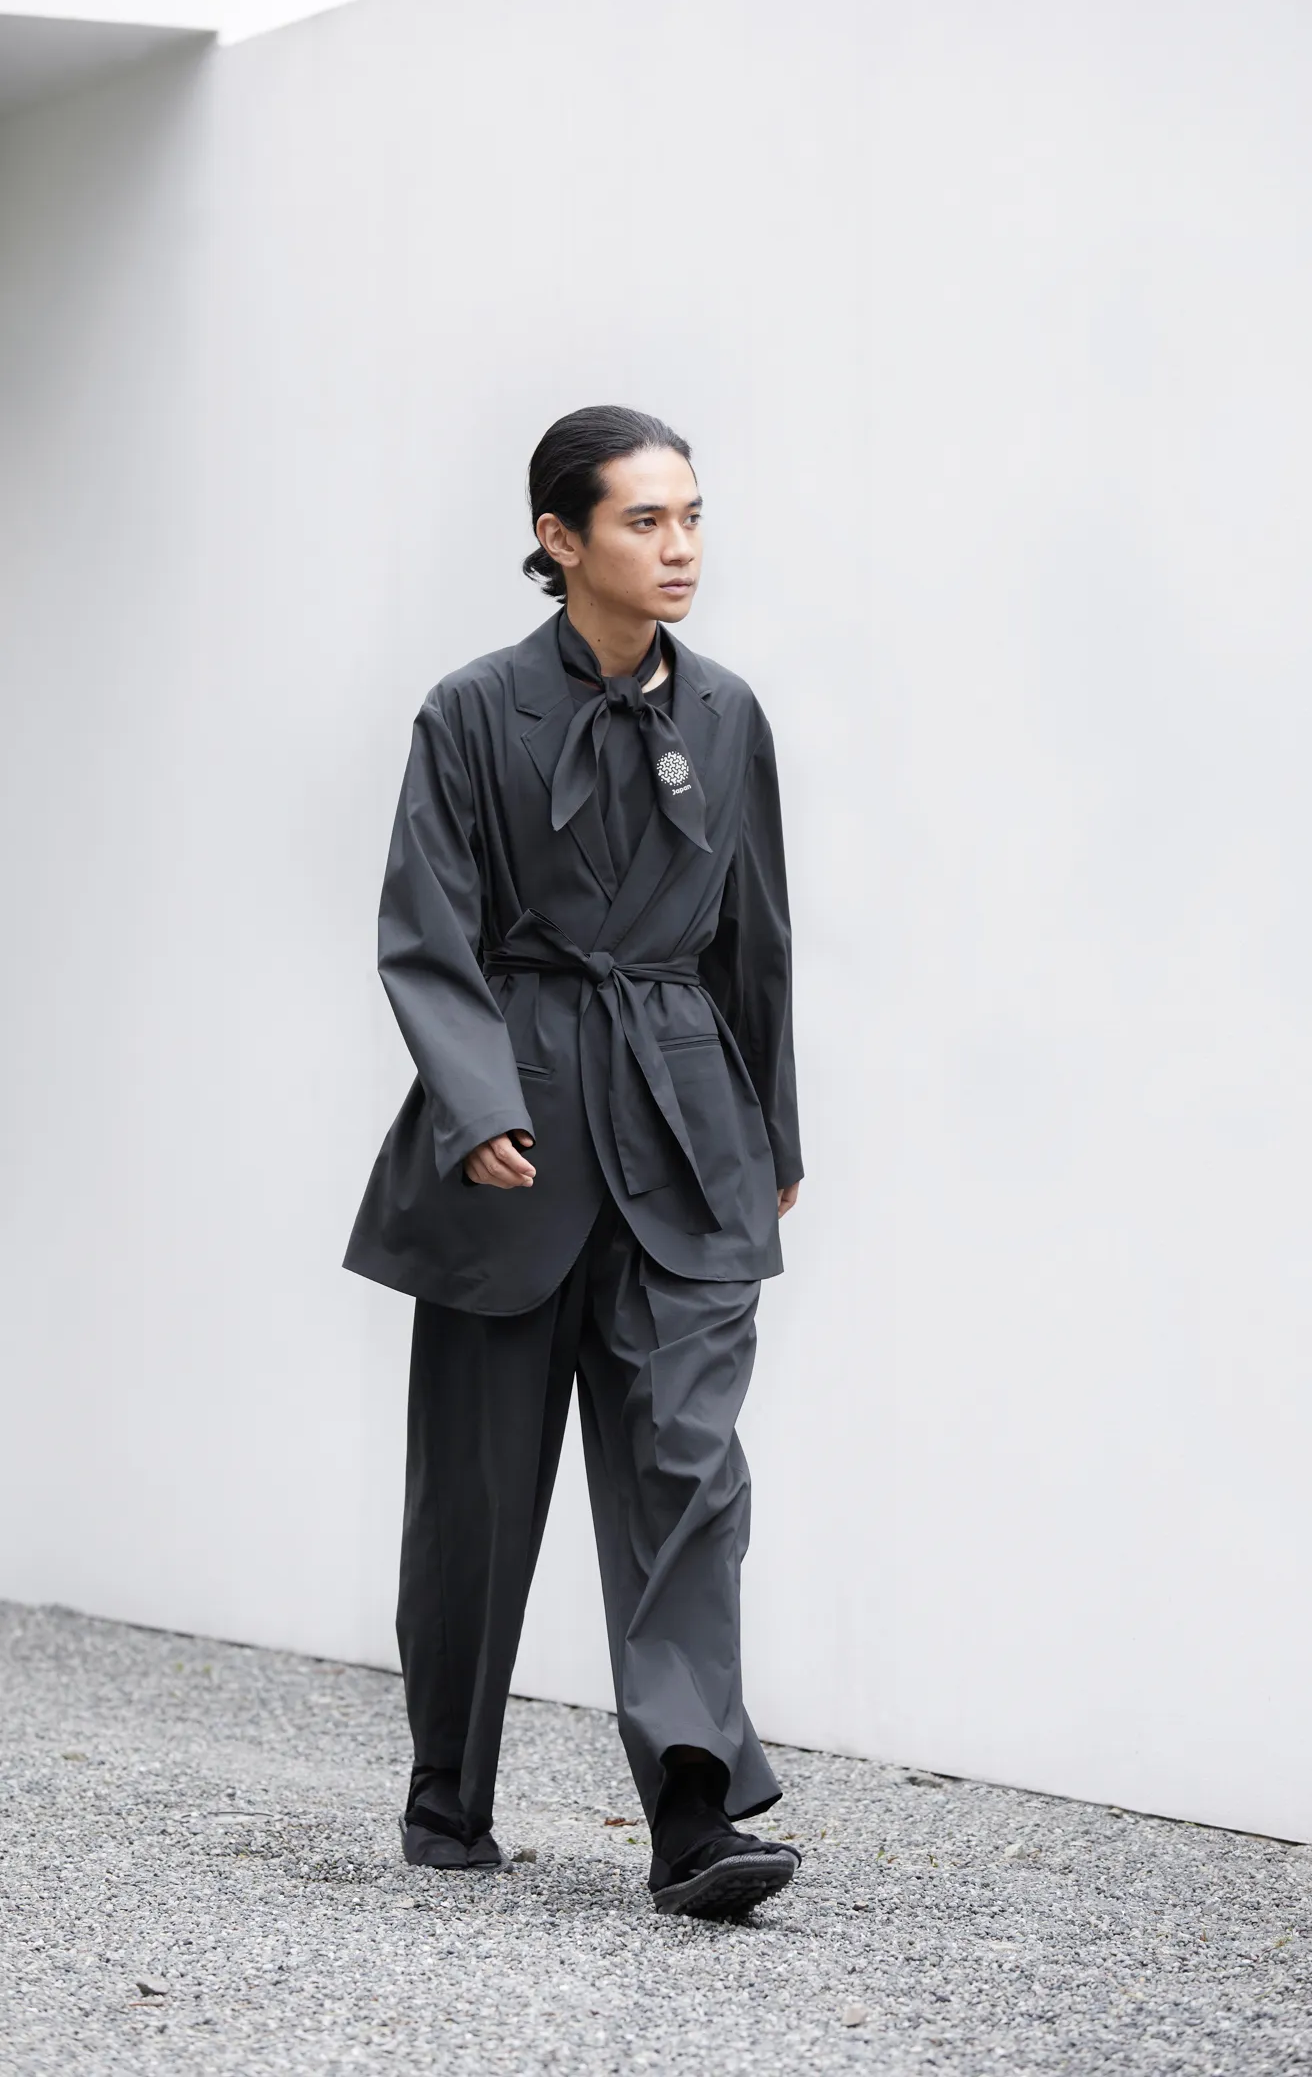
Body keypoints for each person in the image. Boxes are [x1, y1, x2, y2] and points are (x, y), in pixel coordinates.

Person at [344, 405, 805, 1920]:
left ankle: (694, 1808)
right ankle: (448, 1794)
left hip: (685, 1134)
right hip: (519, 1139)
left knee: (690, 1471)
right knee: (476, 1497)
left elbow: (757, 941)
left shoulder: (730, 714)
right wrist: (477, 1106)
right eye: (643, 523)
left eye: (691, 519)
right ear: (561, 539)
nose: (680, 550)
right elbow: (426, 924)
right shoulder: (472, 713)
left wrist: (772, 1138)